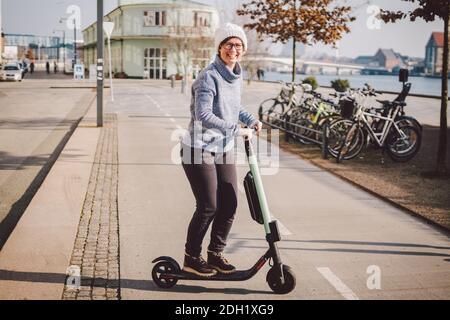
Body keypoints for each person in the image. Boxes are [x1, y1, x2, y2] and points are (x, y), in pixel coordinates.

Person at [180, 23, 263, 277]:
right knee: (208, 205)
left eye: (238, 45)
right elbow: (203, 114)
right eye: (229, 44)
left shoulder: (235, 75)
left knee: (230, 203)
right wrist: (237, 130)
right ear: (219, 47)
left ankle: (215, 253)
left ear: (243, 50)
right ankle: (191, 257)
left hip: (223, 147)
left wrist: (251, 120)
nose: (233, 49)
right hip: (198, 148)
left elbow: (233, 107)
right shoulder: (209, 76)